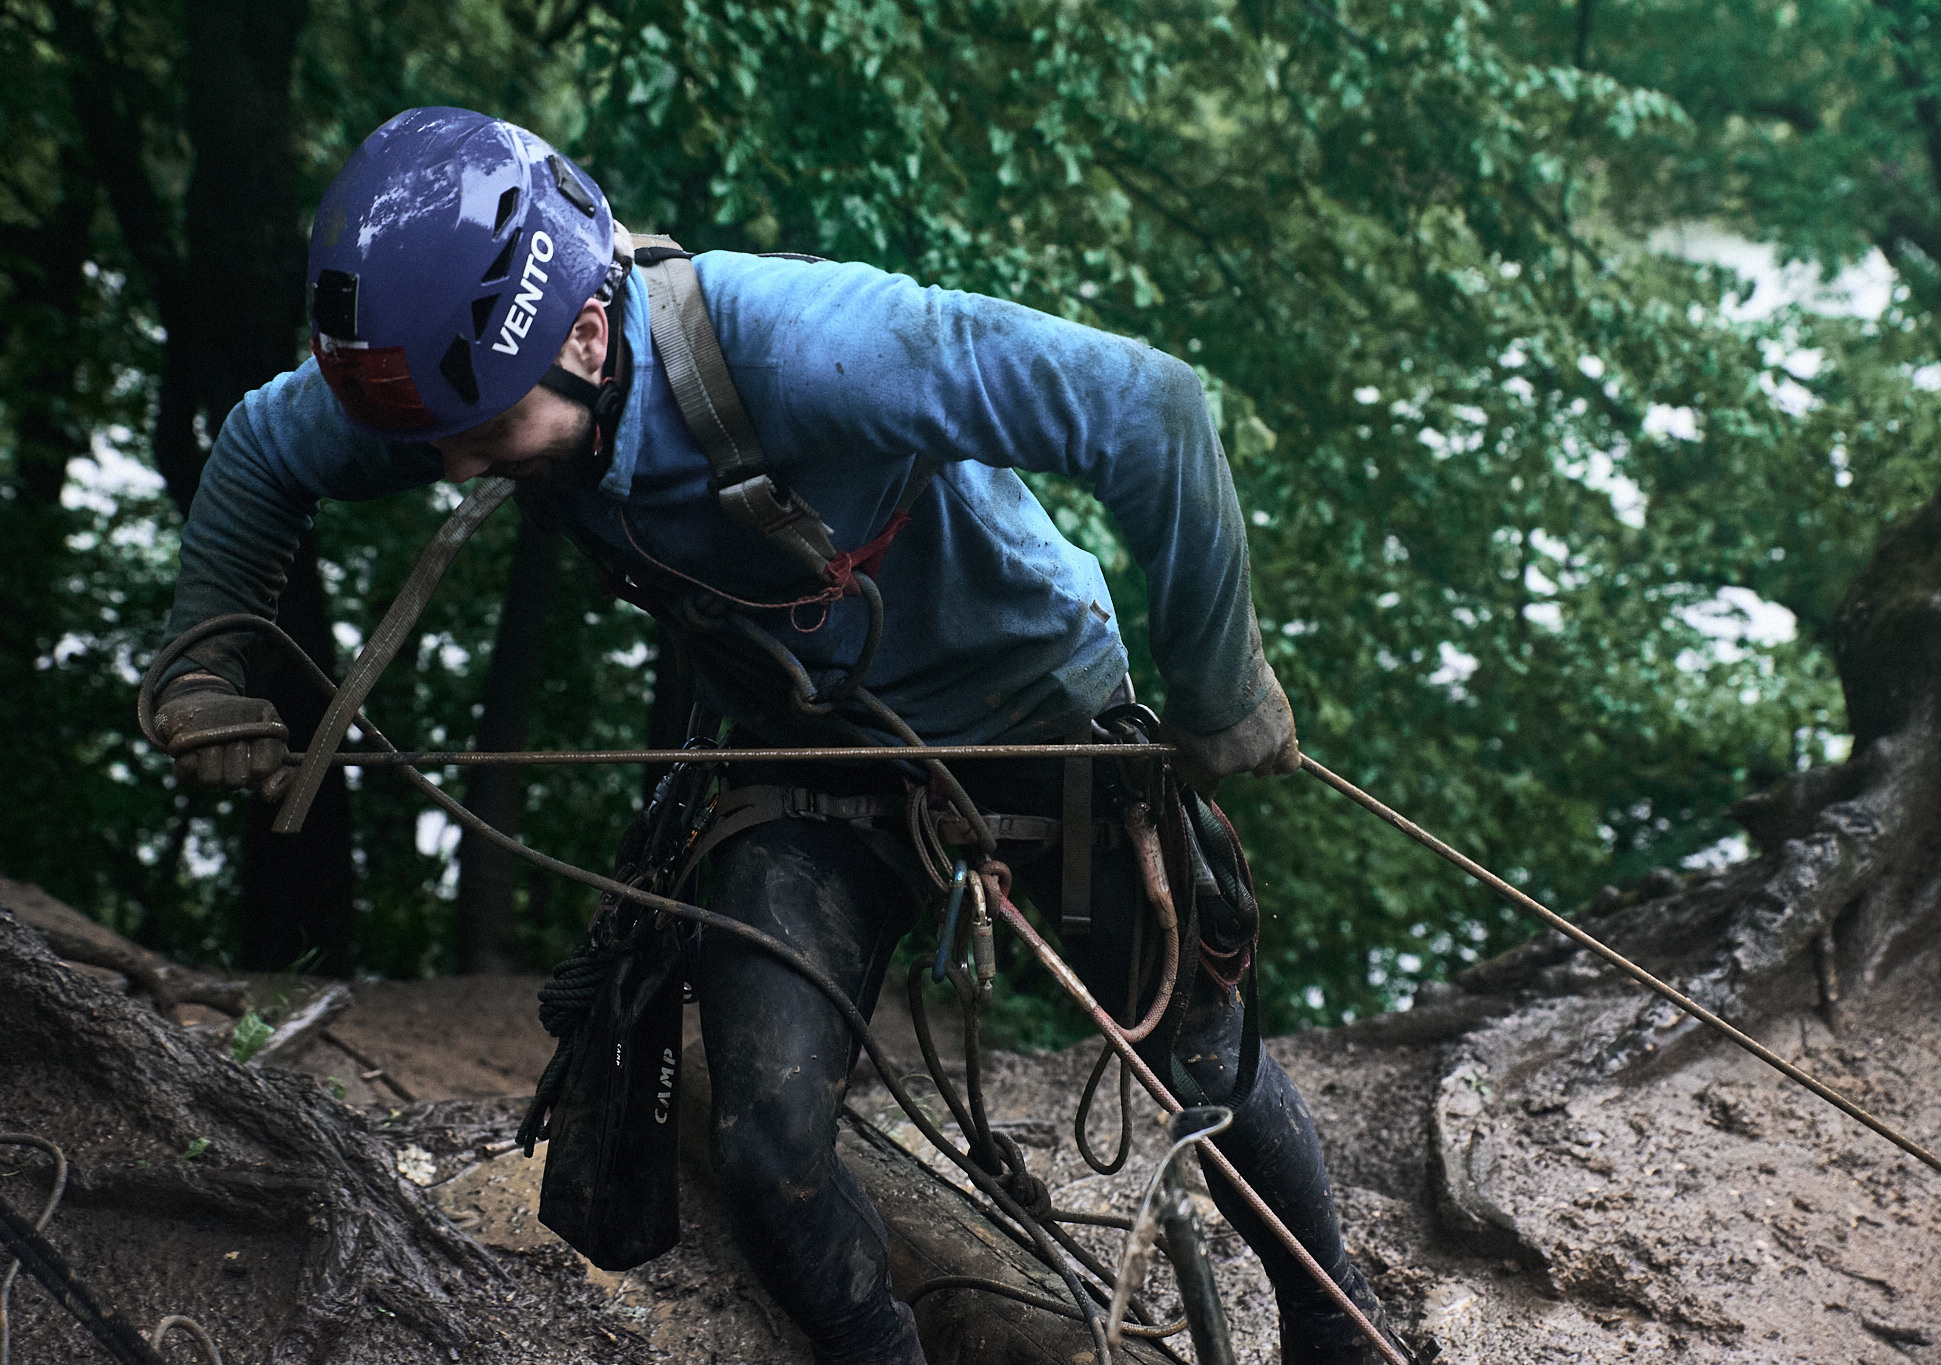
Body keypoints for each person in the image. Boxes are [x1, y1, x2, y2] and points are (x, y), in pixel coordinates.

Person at [151, 107, 1419, 1365]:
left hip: (1034, 712)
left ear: (586, 331)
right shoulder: (466, 377)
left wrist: (1218, 689)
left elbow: (1148, 405)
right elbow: (269, 444)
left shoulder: (815, 346)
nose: (453, 472)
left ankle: (1331, 1324)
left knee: (1196, 1048)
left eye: (481, 439)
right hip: (800, 750)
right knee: (764, 1140)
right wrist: (209, 660)